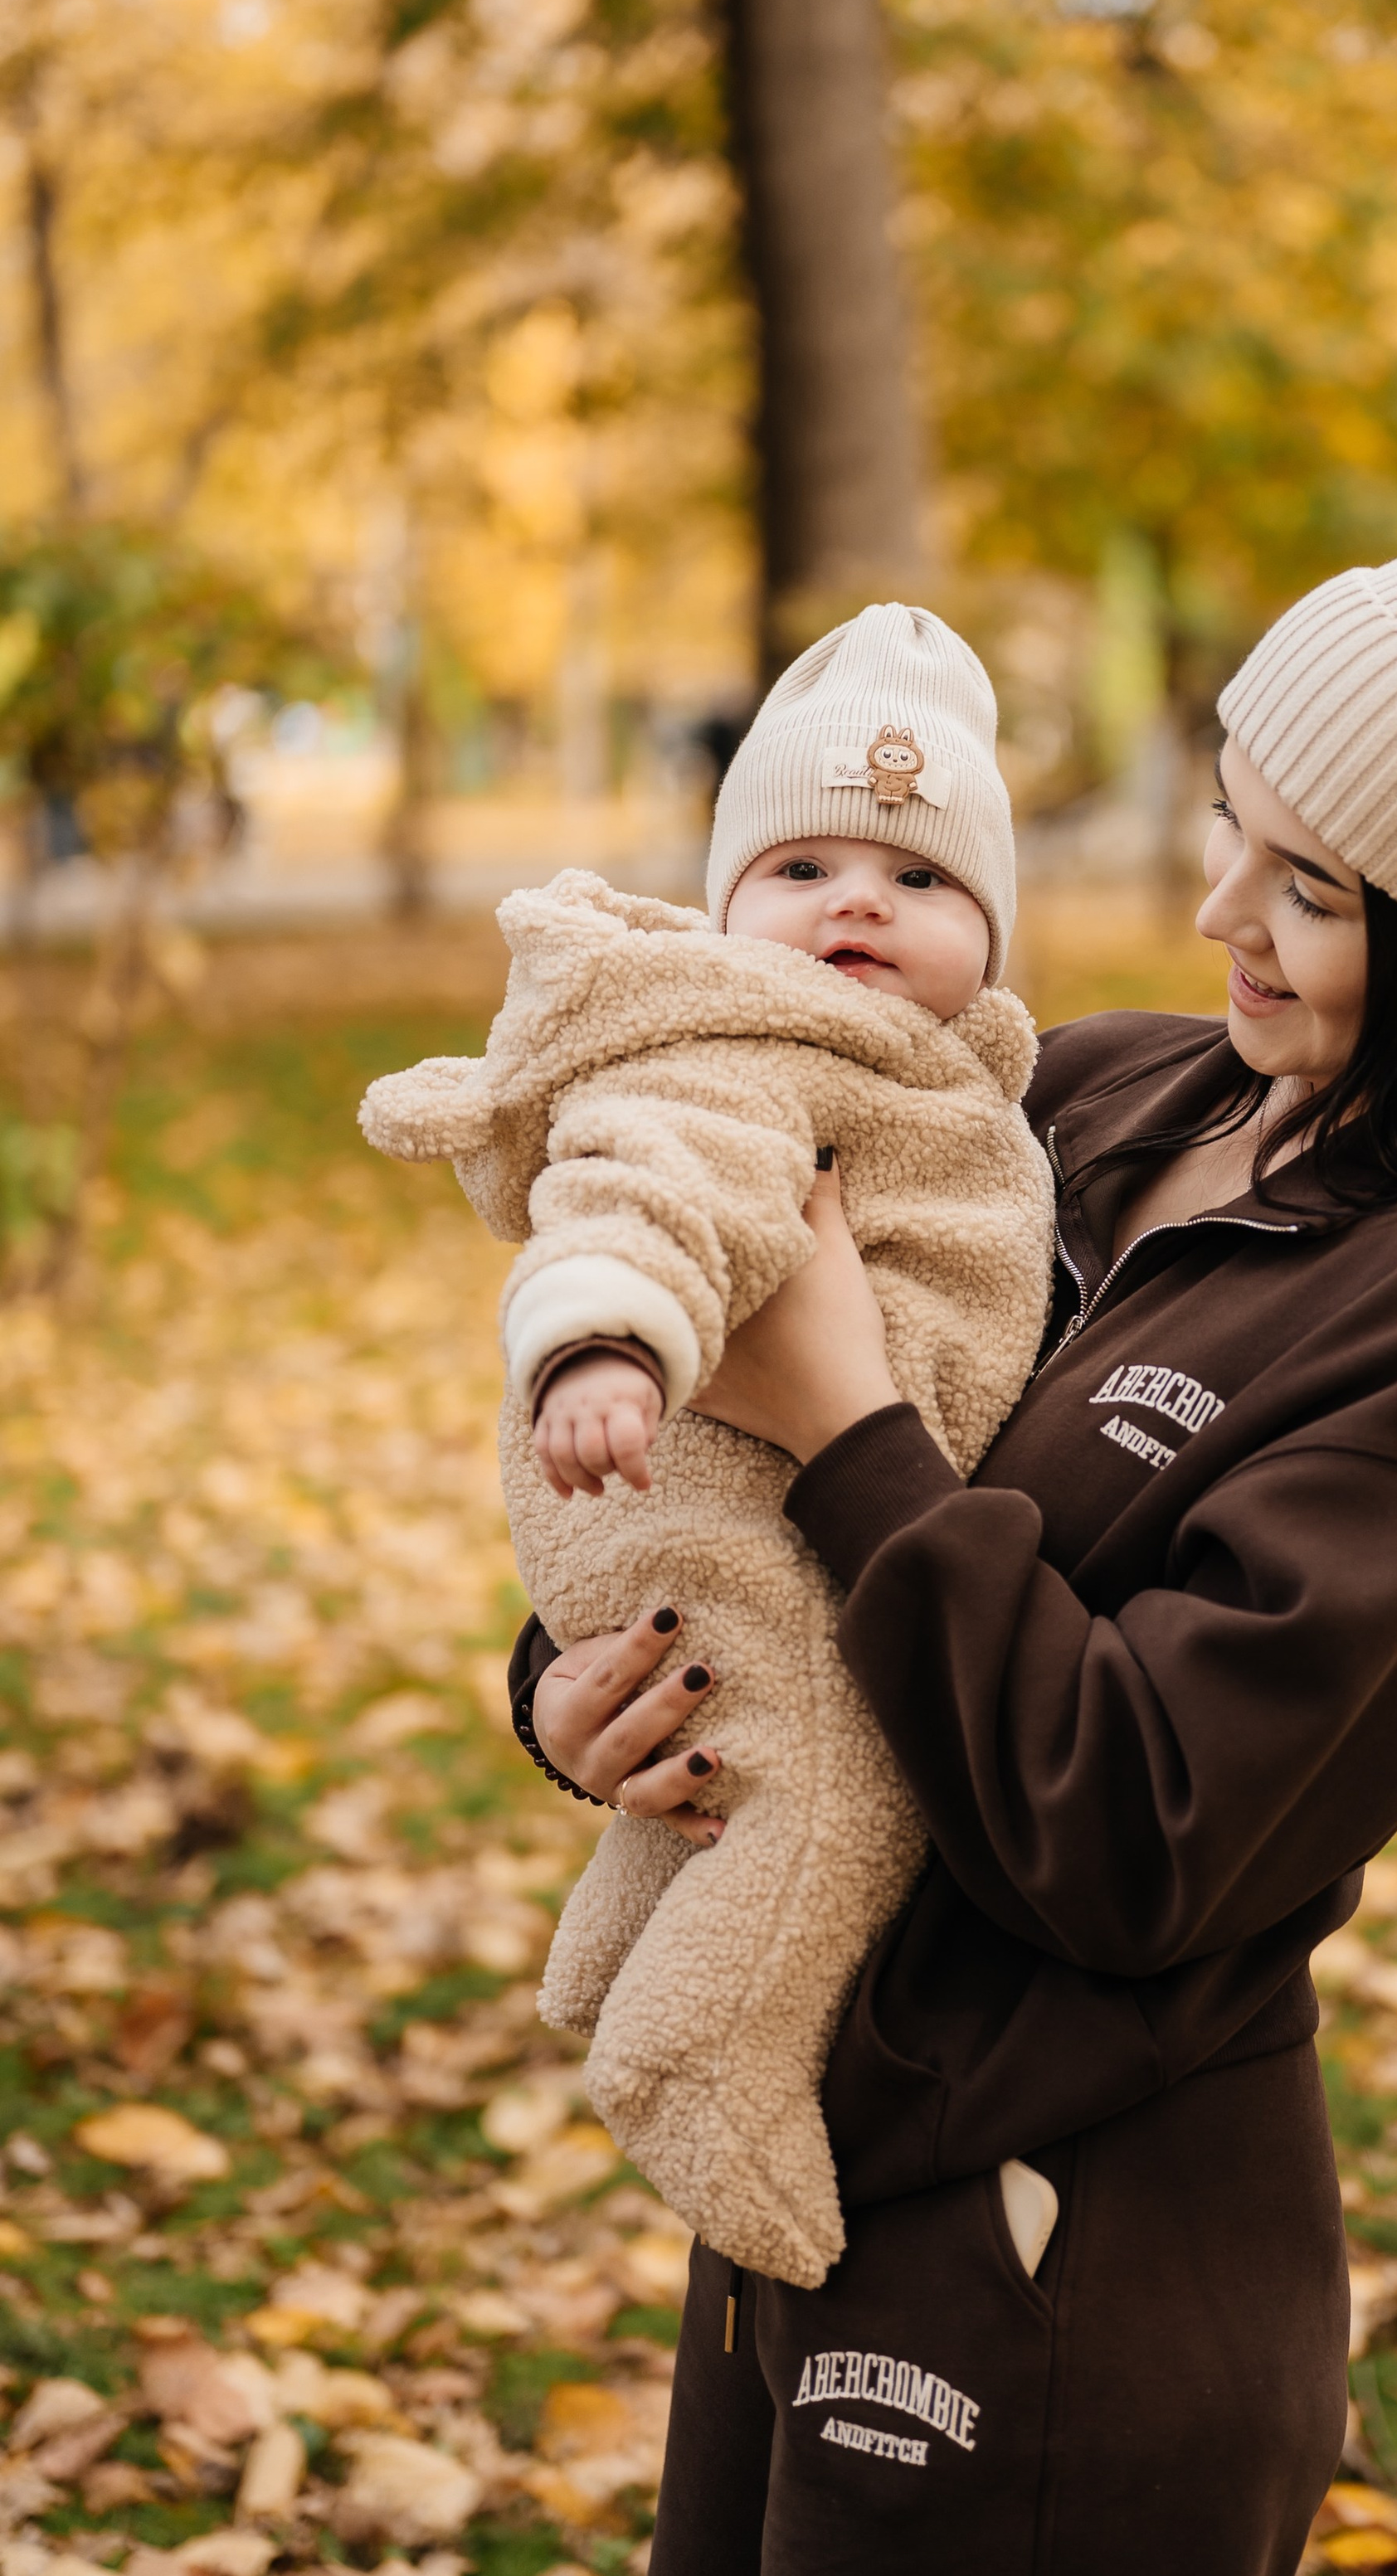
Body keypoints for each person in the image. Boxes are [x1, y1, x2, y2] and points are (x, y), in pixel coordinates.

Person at [513, 458, 1397, 2576]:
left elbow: (1143, 1828)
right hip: (815, 2165)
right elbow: (715, 1437)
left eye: (1314, 892)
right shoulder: (1106, 1099)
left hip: (1060, 2251)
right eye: (1230, 827)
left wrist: (847, 1419)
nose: (1218, 918)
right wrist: (588, 1681)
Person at [363, 605, 1052, 2286]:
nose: (856, 906)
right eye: (802, 868)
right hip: (685, 1455)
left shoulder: (943, 1078)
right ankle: (695, 2050)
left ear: (994, 933)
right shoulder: (752, 1042)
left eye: (918, 880)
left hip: (727, 1490)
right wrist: (601, 1333)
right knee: (837, 1775)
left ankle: (615, 1951)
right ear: (729, 905)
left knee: (725, 1747)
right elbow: (645, 1181)